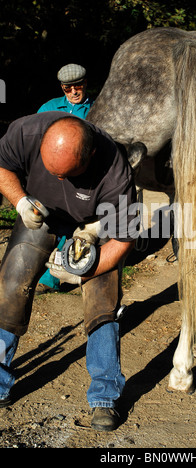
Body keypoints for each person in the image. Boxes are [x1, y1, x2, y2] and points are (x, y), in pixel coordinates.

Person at [0, 112, 137, 431]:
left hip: (96, 224)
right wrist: (20, 201)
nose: (59, 180)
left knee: (102, 303)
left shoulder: (114, 171)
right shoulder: (26, 132)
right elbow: (3, 167)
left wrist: (84, 270)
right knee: (10, 285)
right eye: (51, 172)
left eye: (69, 174)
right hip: (40, 212)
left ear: (89, 155)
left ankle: (105, 397)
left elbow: (123, 238)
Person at [37, 64, 94, 293]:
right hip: (51, 177)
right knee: (46, 223)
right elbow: (34, 139)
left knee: (74, 224)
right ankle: (38, 271)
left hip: (83, 178)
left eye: (77, 85)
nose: (73, 91)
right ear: (62, 87)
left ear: (86, 83)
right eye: (67, 87)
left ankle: (53, 278)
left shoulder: (97, 109)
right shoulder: (49, 108)